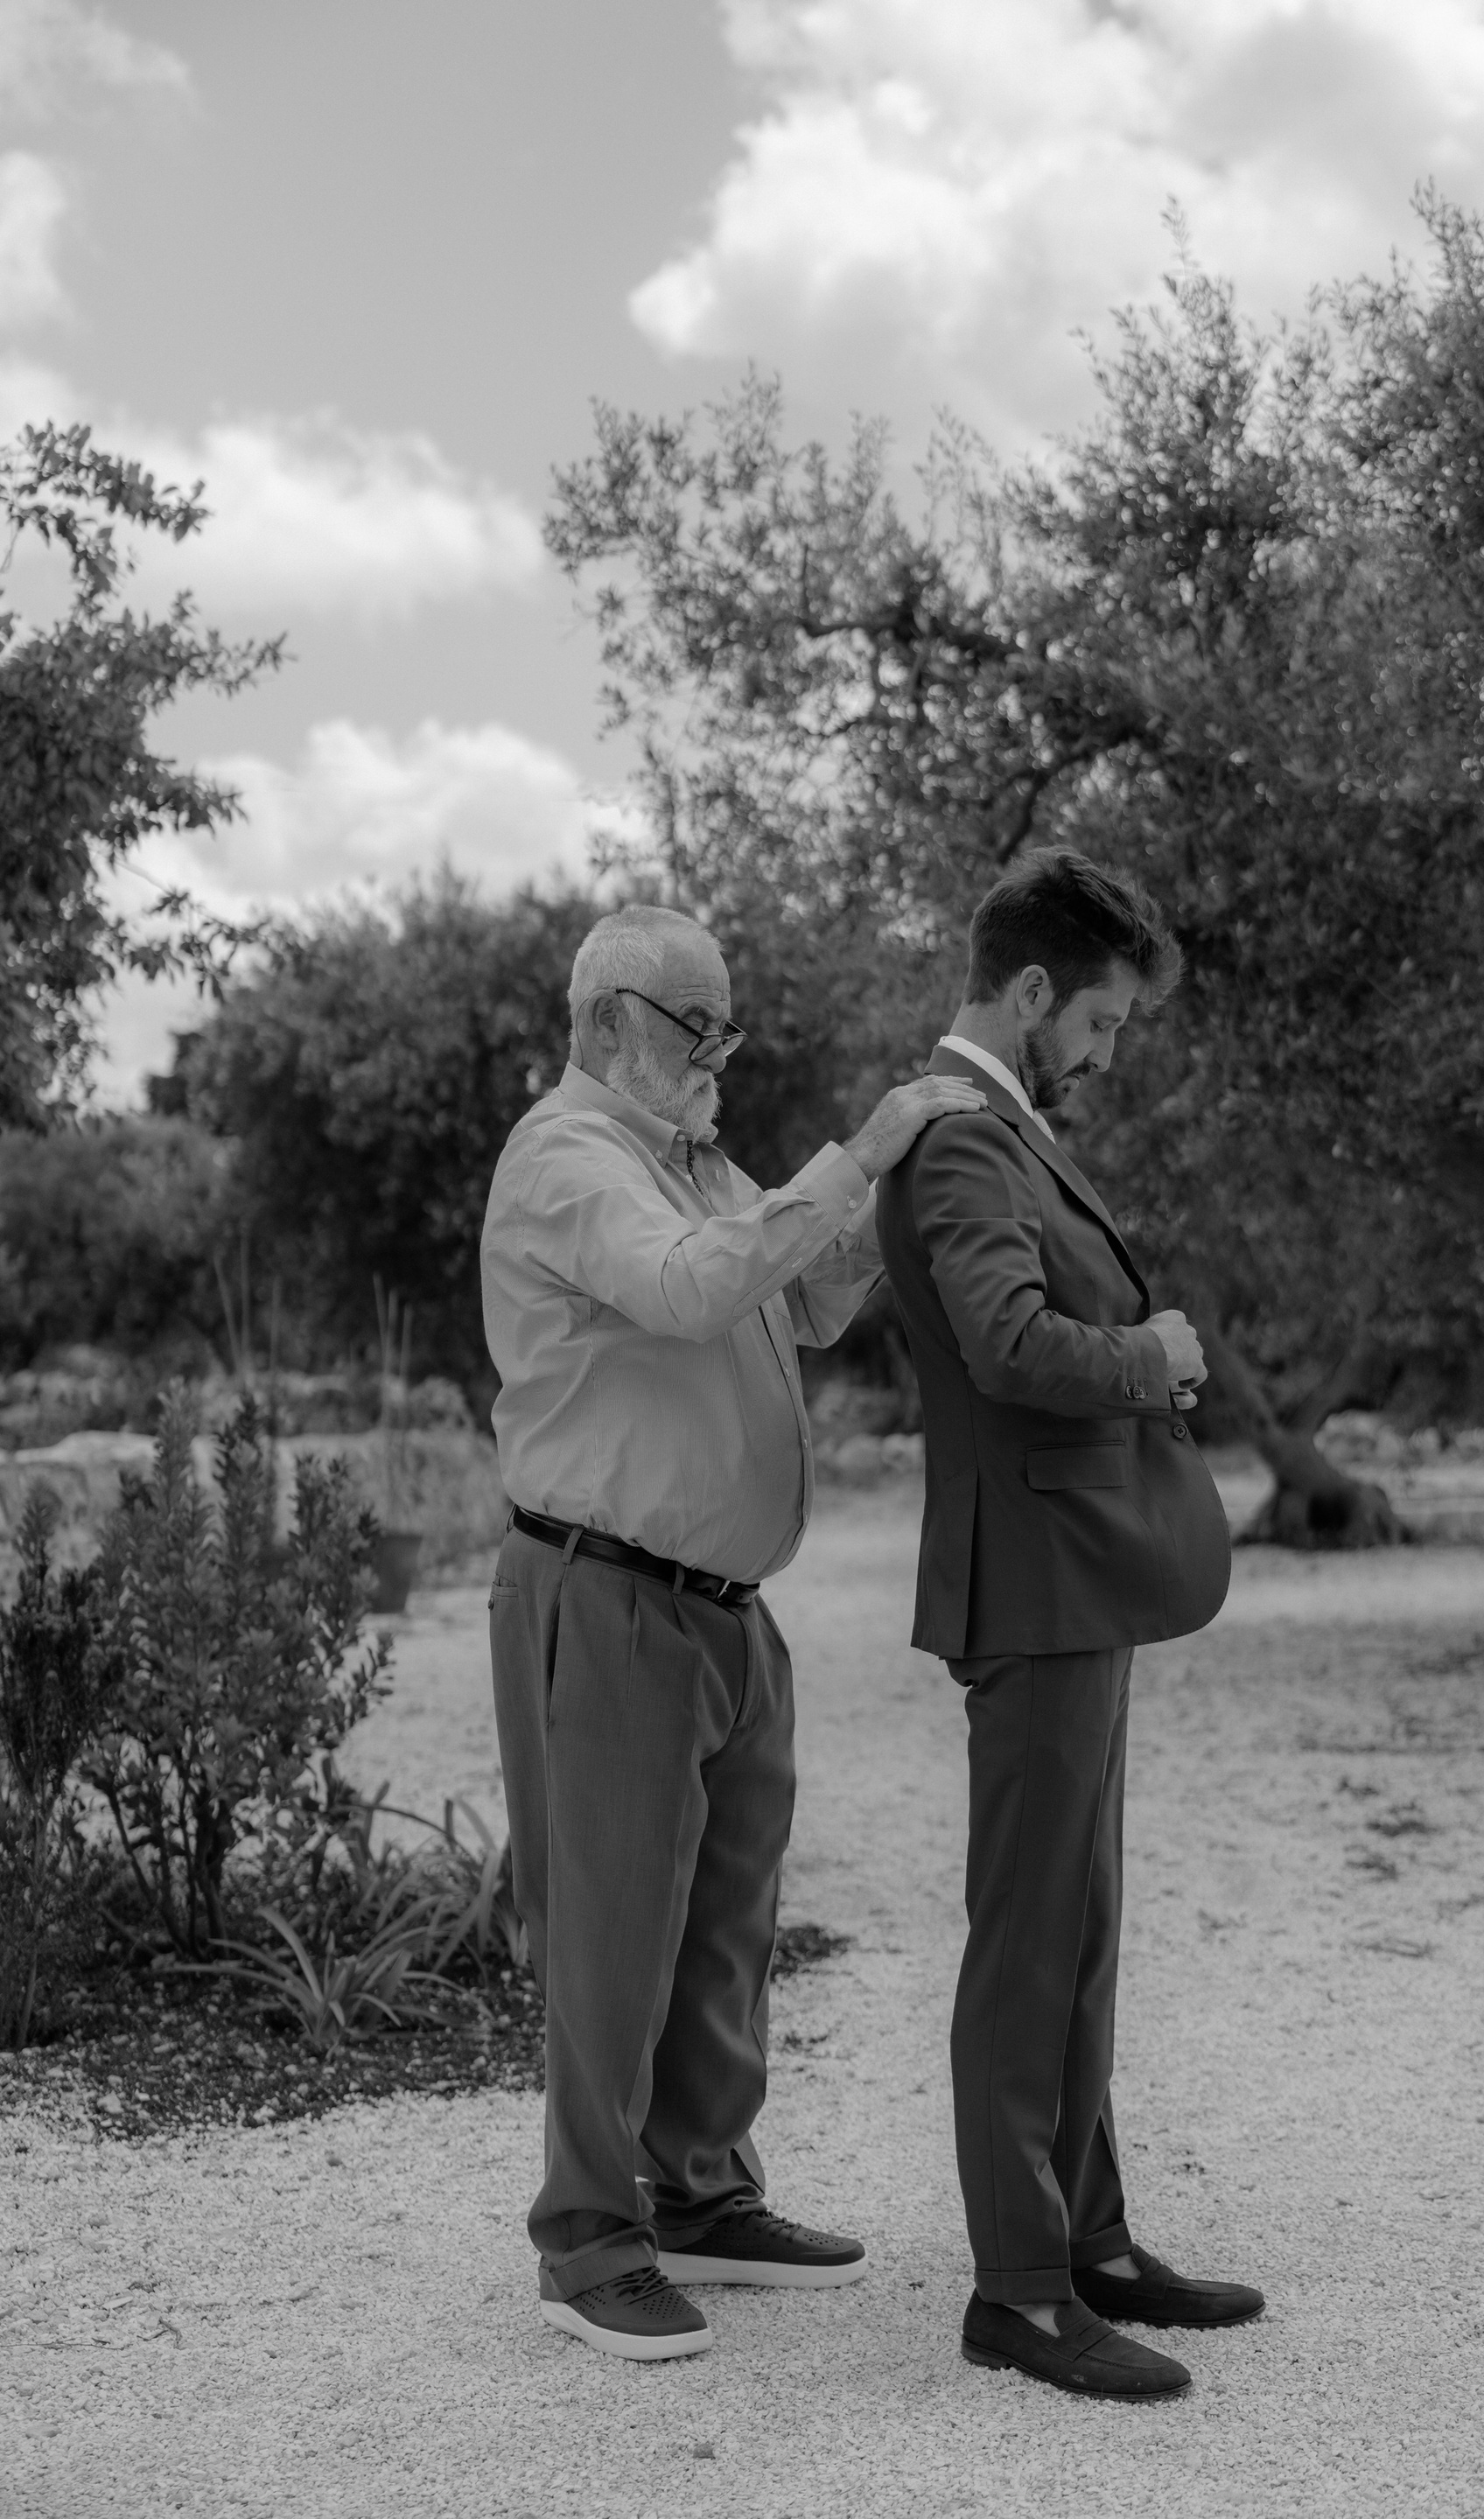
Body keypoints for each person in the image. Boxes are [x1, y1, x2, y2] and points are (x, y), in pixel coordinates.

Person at [480, 902, 987, 2362]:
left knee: (727, 1929)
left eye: (724, 1025)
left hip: (724, 1612)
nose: (718, 1051)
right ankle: (588, 2239)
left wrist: (899, 1203)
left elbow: (805, 1301)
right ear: (608, 1022)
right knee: (612, 1934)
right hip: (609, 1591)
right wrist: (862, 1149)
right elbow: (693, 1288)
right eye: (695, 1023)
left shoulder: (698, 1162)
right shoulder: (568, 1157)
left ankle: (702, 2194)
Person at [877, 847, 1262, 2402]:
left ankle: (1088, 2241)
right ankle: (1021, 2294)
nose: (1103, 1054)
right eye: (1098, 1022)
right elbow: (1009, 1341)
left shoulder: (1002, 1131)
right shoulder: (964, 1139)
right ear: (1031, 992)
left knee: (1081, 1932)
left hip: (1073, 1579)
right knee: (1029, 1944)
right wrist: (1154, 1353)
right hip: (1032, 1585)